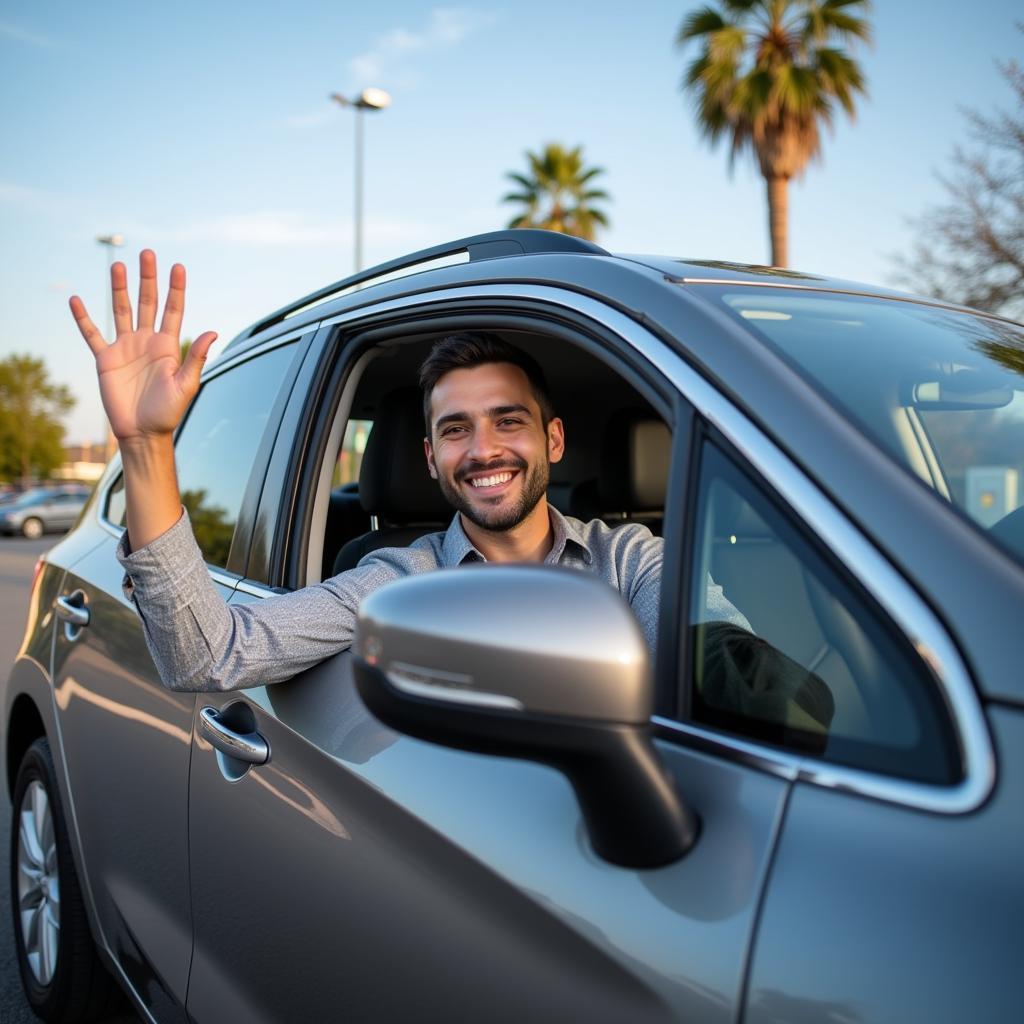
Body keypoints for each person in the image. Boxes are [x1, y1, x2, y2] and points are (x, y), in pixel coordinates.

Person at [70, 250, 750, 693]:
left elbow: (716, 661)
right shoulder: (397, 582)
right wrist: (148, 446)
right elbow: (208, 656)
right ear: (431, 459)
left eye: (508, 421)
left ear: (554, 438)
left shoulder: (632, 561)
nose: (483, 450)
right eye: (455, 430)